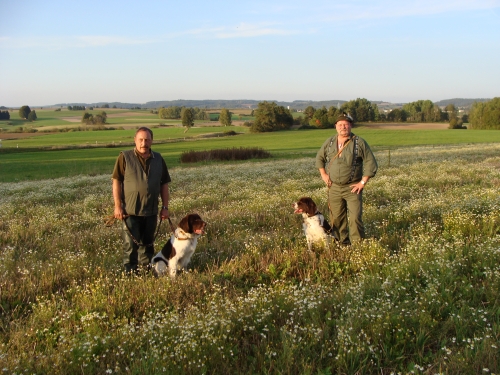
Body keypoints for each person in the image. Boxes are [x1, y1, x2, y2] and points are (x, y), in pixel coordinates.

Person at [112, 127, 171, 273]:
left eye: (147, 140)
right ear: (135, 140)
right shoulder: (124, 157)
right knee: (130, 247)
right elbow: (116, 181)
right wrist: (118, 206)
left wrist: (165, 207)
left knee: (147, 245)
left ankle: (145, 273)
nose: (144, 143)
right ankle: (130, 275)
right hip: (129, 211)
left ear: (152, 141)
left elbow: (164, 184)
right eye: (141, 140)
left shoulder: (158, 159)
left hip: (151, 211)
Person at [315, 113, 378, 245]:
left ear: (350, 126)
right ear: (336, 127)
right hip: (334, 187)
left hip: (353, 187)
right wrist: (324, 174)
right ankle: (341, 243)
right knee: (336, 218)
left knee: (355, 218)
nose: (343, 127)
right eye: (340, 124)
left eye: (346, 124)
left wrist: (363, 182)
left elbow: (370, 162)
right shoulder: (330, 142)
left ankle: (357, 245)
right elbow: (319, 158)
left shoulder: (359, 142)